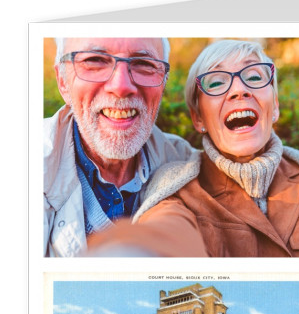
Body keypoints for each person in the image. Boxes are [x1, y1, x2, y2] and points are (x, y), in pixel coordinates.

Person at [87, 39, 299, 257]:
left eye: (254, 77)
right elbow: (165, 232)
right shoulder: (177, 190)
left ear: (274, 105)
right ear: (198, 118)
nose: (239, 90)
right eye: (216, 82)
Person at [44, 37, 199, 257]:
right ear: (62, 81)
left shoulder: (187, 165)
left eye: (144, 64)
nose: (121, 87)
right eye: (95, 60)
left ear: (163, 82)